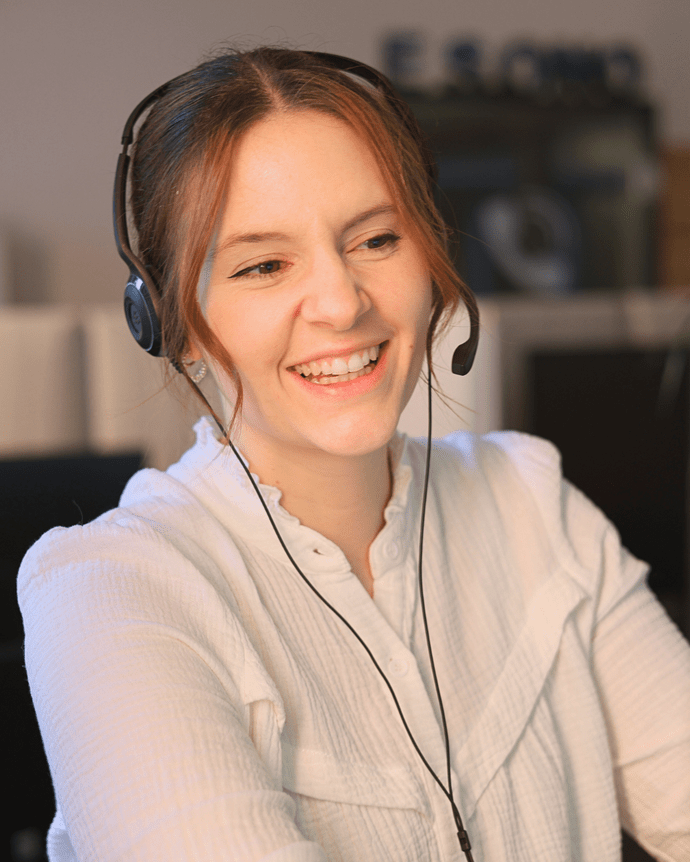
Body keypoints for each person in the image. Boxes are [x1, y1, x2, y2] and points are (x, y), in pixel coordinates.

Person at [18, 46, 690, 862]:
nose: (341, 302)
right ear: (171, 323)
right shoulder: (111, 595)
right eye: (264, 265)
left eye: (375, 239)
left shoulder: (531, 502)